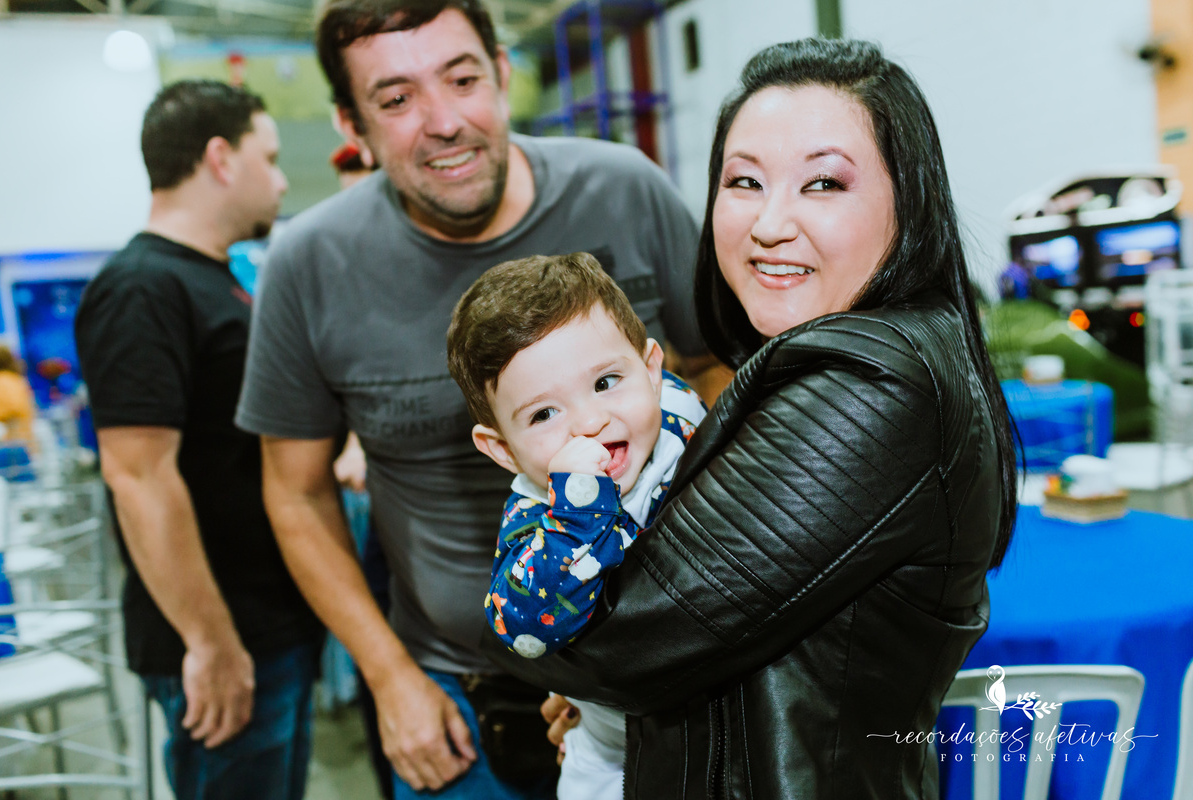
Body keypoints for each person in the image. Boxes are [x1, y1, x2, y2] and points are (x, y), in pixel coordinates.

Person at [485, 38, 1020, 800]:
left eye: (824, 183)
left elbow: (624, 641)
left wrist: (559, 659)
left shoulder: (873, 381)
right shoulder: (828, 358)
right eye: (744, 181)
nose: (770, 223)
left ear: (911, 200)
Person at [235, 0, 721, 795]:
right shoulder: (309, 266)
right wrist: (390, 678)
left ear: (501, 73)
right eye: (395, 99)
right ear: (349, 122)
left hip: (677, 670)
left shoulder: (626, 190)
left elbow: (714, 372)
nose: (443, 121)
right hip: (460, 698)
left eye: (462, 79)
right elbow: (294, 495)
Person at [75, 80, 322, 800]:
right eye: (269, 159)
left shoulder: (215, 280)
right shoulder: (141, 287)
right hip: (222, 634)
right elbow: (138, 476)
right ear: (220, 158)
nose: (279, 180)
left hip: (268, 623)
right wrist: (210, 643)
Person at [447, 252, 706, 799]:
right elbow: (522, 628)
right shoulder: (536, 518)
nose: (590, 422)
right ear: (502, 451)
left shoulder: (681, 416)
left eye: (607, 381)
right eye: (543, 415)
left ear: (652, 371)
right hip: (609, 750)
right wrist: (577, 507)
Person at [0, 344, 36, 446]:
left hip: (13, 443)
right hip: (21, 441)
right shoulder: (14, 378)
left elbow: (12, 406)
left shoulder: (3, 379)